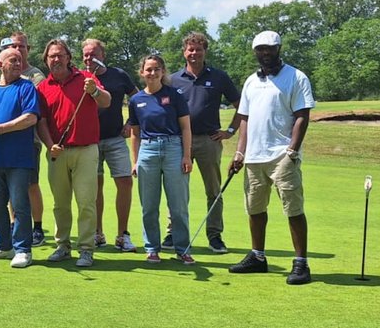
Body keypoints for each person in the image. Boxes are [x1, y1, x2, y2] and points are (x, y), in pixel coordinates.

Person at [228, 30, 316, 285]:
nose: (265, 53)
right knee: (255, 208)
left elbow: (302, 115)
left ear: (278, 49)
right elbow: (245, 118)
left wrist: (292, 150)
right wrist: (239, 152)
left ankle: (301, 263)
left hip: (282, 155)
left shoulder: (296, 77)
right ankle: (258, 257)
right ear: (255, 52)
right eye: (260, 49)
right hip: (254, 156)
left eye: (270, 48)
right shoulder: (250, 82)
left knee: (293, 208)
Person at [35, 39, 110, 268]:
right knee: (60, 203)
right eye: (51, 56)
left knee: (86, 201)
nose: (56, 59)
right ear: (46, 60)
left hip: (86, 150)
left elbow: (106, 101)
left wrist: (94, 90)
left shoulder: (86, 78)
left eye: (60, 55)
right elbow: (42, 122)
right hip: (57, 151)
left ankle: (86, 249)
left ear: (68, 57)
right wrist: (49, 145)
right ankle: (63, 245)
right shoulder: (43, 87)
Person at [168, 32, 242, 254]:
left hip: (209, 140)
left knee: (213, 190)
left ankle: (215, 235)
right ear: (184, 52)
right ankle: (174, 232)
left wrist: (230, 130)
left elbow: (241, 105)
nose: (194, 53)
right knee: (178, 190)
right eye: (190, 49)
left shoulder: (218, 77)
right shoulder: (173, 79)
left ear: (205, 51)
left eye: (198, 49)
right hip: (180, 142)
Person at [0, 46, 41, 268]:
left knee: (20, 204)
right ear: (0, 64)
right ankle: (4, 246)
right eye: (12, 60)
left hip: (19, 158)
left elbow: (31, 117)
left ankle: (23, 249)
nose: (17, 63)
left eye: (19, 60)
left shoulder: (26, 87)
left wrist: (1, 128)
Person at [127, 54, 194, 265]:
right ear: (142, 72)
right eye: (148, 69)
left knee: (178, 205)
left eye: (156, 69)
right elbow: (135, 134)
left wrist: (186, 155)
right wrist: (135, 161)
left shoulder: (174, 95)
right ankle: (152, 248)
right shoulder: (136, 100)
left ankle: (182, 249)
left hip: (174, 148)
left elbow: (186, 127)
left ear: (163, 71)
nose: (152, 73)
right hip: (147, 151)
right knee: (149, 205)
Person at [82, 38, 139, 252]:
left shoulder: (118, 75)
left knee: (125, 182)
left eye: (93, 54)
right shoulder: (81, 77)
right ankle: (97, 233)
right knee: (94, 187)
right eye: (86, 54)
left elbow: (138, 99)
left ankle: (122, 235)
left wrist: (130, 122)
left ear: (103, 55)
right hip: (90, 140)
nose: (89, 58)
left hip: (116, 138)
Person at [2, 31, 47, 244]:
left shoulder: (35, 75)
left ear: (28, 49)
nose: (18, 50)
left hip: (30, 140)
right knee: (12, 186)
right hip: (7, 140)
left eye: (21, 46)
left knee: (30, 184)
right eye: (14, 46)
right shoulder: (5, 74)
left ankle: (37, 227)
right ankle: (15, 224)